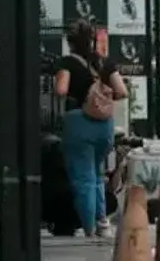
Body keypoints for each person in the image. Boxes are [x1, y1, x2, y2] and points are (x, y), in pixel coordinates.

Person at [52, 20, 128, 239]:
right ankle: (103, 222)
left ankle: (89, 228)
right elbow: (122, 92)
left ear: (70, 42)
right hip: (104, 126)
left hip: (79, 123)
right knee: (97, 175)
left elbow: (61, 89)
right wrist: (101, 96)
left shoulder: (67, 62)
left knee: (83, 178)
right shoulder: (104, 63)